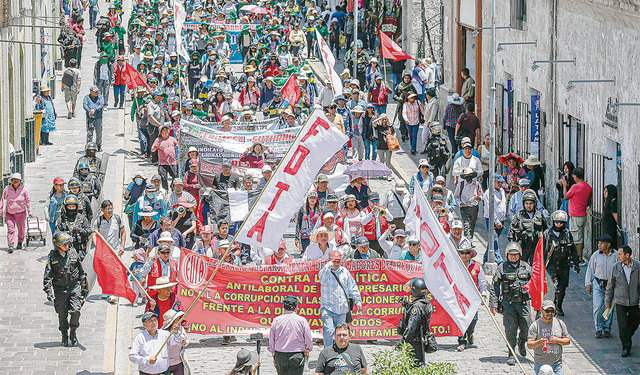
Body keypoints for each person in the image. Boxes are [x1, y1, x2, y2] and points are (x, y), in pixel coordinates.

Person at [490, 242, 532, 366]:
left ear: (520, 255)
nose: (513, 257)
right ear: (507, 255)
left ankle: (522, 342)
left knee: (527, 327)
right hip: (508, 304)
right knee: (510, 330)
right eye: (511, 254)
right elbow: (495, 287)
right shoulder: (501, 268)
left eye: (516, 254)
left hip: (524, 303)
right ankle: (511, 353)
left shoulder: (527, 267)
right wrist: (493, 303)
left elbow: (534, 284)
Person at [43, 232, 88, 347]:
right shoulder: (52, 257)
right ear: (58, 245)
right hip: (60, 290)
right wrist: (49, 292)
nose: (67, 246)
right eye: (64, 245)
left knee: (76, 311)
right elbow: (47, 276)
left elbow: (81, 271)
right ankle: (64, 335)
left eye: (68, 244)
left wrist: (83, 286)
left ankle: (73, 333)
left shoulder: (73, 253)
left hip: (74, 288)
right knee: (62, 315)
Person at [319, 251, 362, 347]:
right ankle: (328, 352)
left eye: (338, 261)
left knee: (342, 333)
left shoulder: (345, 272)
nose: (336, 263)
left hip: (342, 309)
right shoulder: (324, 271)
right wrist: (327, 266)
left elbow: (352, 287)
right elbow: (322, 281)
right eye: (334, 261)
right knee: (329, 331)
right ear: (329, 260)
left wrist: (358, 301)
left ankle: (341, 352)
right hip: (328, 308)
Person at [543, 210, 580, 317]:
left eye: (561, 222)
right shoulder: (547, 234)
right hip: (551, 265)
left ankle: (559, 305)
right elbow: (542, 251)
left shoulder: (567, 234)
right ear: (553, 221)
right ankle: (552, 306)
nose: (559, 224)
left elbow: (573, 249)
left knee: (562, 287)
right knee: (553, 287)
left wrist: (576, 263)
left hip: (564, 265)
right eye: (557, 222)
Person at [606, 245, 640, 357]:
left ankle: (626, 336)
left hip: (634, 301)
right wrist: (608, 301)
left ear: (627, 255)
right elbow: (610, 285)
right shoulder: (615, 267)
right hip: (620, 301)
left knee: (635, 323)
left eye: (620, 254)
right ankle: (626, 347)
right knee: (622, 325)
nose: (618, 256)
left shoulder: (638, 267)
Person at [268, 295, 313, 375]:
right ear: (296, 307)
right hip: (297, 355)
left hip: (280, 354)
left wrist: (273, 352)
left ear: (284, 307)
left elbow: (272, 339)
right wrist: (307, 349)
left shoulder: (276, 320)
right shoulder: (302, 320)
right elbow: (308, 338)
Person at [92, 200, 126, 303]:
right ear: (103, 210)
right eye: (107, 209)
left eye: (111, 208)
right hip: (103, 250)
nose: (110, 210)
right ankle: (106, 290)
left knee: (113, 271)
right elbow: (94, 234)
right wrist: (97, 246)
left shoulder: (117, 219)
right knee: (104, 271)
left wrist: (122, 246)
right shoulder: (98, 221)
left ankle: (112, 294)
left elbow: (123, 232)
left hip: (115, 249)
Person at [397, 277, 437, 364]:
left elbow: (411, 327)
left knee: (415, 365)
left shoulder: (417, 307)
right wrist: (406, 304)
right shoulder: (425, 303)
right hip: (421, 340)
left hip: (415, 342)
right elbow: (420, 311)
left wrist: (402, 341)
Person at [456, 244, 488, 352]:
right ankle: (461, 341)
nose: (464, 255)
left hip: (473, 298)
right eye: (462, 253)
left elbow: (482, 282)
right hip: (459, 297)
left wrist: (483, 295)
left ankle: (470, 332)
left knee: (473, 319)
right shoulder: (455, 266)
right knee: (460, 319)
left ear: (471, 255)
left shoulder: (477, 266)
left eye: (467, 253)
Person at [585, 235, 617, 339]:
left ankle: (607, 328)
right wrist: (588, 283)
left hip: (611, 285)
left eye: (601, 243)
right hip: (598, 283)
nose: (599, 245)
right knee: (598, 306)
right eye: (599, 243)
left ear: (608, 245)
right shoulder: (596, 255)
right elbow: (590, 269)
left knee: (609, 307)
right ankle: (598, 328)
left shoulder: (616, 255)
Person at [527, 300, 571, 374]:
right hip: (541, 364)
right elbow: (529, 345)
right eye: (547, 311)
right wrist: (540, 342)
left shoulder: (560, 323)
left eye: (552, 311)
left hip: (557, 364)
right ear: (541, 310)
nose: (550, 313)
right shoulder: (535, 325)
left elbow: (567, 340)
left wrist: (557, 340)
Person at [559, 167, 592, 265]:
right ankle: (578, 258)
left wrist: (564, 186)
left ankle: (579, 259)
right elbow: (588, 201)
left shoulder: (575, 187)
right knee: (579, 236)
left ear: (575, 176)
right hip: (582, 214)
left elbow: (565, 196)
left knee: (577, 239)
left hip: (576, 215)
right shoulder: (588, 187)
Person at [507, 189, 547, 265]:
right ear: (523, 204)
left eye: (531, 203)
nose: (528, 206)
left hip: (535, 249)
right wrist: (514, 247)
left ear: (535, 204)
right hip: (523, 248)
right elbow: (510, 233)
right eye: (527, 203)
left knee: (535, 268)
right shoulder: (518, 216)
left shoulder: (539, 216)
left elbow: (546, 232)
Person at [0, 173, 32, 253]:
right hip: (10, 213)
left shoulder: (24, 190)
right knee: (10, 228)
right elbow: (2, 200)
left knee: (21, 228)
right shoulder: (7, 189)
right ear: (12, 180)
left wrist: (30, 212)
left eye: (17, 179)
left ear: (20, 181)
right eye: (14, 179)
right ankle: (10, 245)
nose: (16, 181)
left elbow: (28, 201)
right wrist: (0, 211)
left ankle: (20, 241)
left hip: (21, 213)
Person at [55, 195, 92, 260]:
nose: (71, 209)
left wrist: (80, 230)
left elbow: (89, 231)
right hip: (65, 250)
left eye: (73, 206)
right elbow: (55, 235)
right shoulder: (61, 220)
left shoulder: (81, 218)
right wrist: (64, 235)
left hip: (80, 250)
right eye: (69, 207)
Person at [360, 192, 392, 257]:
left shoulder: (383, 208)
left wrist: (385, 212)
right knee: (373, 258)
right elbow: (363, 222)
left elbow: (390, 218)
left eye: (377, 201)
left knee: (385, 257)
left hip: (383, 238)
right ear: (368, 201)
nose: (375, 203)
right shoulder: (364, 211)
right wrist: (372, 213)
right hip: (371, 240)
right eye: (373, 201)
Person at [454, 167, 482, 241]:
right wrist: (460, 203)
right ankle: (467, 241)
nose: (468, 177)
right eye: (466, 175)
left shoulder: (477, 184)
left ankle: (470, 239)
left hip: (474, 207)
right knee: (466, 225)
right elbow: (456, 196)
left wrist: (479, 198)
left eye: (470, 175)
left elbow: (482, 194)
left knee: (472, 225)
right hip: (464, 208)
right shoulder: (461, 184)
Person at [152, 124, 179, 191]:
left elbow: (178, 145)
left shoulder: (172, 139)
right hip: (162, 163)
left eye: (167, 130)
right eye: (164, 130)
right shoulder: (158, 139)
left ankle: (173, 189)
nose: (166, 131)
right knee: (163, 178)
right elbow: (152, 149)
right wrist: (156, 147)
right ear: (161, 132)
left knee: (175, 177)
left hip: (172, 162)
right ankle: (165, 191)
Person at [162, 309, 190, 375]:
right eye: (177, 319)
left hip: (179, 361)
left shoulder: (181, 328)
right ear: (172, 322)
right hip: (167, 363)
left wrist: (185, 341)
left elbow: (187, 341)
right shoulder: (163, 332)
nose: (179, 320)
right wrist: (177, 334)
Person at [83, 85, 106, 151]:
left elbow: (101, 105)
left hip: (98, 117)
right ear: (91, 92)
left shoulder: (100, 97)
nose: (97, 93)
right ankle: (89, 146)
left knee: (99, 132)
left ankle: (98, 145)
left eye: (97, 91)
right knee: (89, 132)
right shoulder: (86, 97)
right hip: (90, 117)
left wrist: (94, 109)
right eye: (95, 91)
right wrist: (89, 110)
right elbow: (85, 105)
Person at [603, 185, 619, 249]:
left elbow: (616, 218)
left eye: (606, 191)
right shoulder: (608, 201)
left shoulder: (613, 202)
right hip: (608, 228)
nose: (604, 193)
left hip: (611, 229)